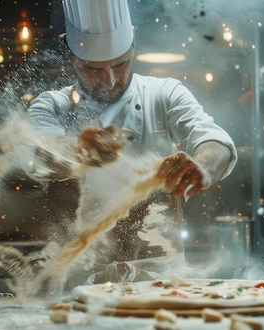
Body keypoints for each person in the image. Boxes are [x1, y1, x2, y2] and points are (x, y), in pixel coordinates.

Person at [25, 0, 237, 286]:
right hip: (73, 282)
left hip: (160, 281)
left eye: (120, 64)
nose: (110, 80)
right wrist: (78, 149)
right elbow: (44, 152)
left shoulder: (163, 94)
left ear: (133, 45)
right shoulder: (50, 106)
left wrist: (204, 166)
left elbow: (213, 139)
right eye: (92, 69)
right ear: (71, 56)